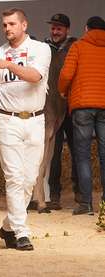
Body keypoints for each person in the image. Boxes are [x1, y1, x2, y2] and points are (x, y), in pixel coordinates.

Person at [0, 8, 51, 250]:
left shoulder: (41, 49)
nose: (8, 29)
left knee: (30, 180)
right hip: (6, 120)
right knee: (14, 178)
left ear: (24, 25)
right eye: (4, 25)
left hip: (35, 119)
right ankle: (22, 233)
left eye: (12, 24)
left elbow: (34, 76)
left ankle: (7, 227)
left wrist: (6, 65)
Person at [58, 16, 105, 215]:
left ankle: (86, 203)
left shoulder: (78, 46)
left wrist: (62, 91)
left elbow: (67, 74)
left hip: (82, 106)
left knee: (83, 156)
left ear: (86, 28)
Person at [44, 14, 79, 210]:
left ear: (67, 30)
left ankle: (81, 194)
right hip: (52, 110)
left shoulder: (75, 47)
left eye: (59, 28)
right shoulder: (45, 48)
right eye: (53, 28)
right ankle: (54, 195)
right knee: (53, 154)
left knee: (78, 152)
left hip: (72, 107)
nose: (55, 31)